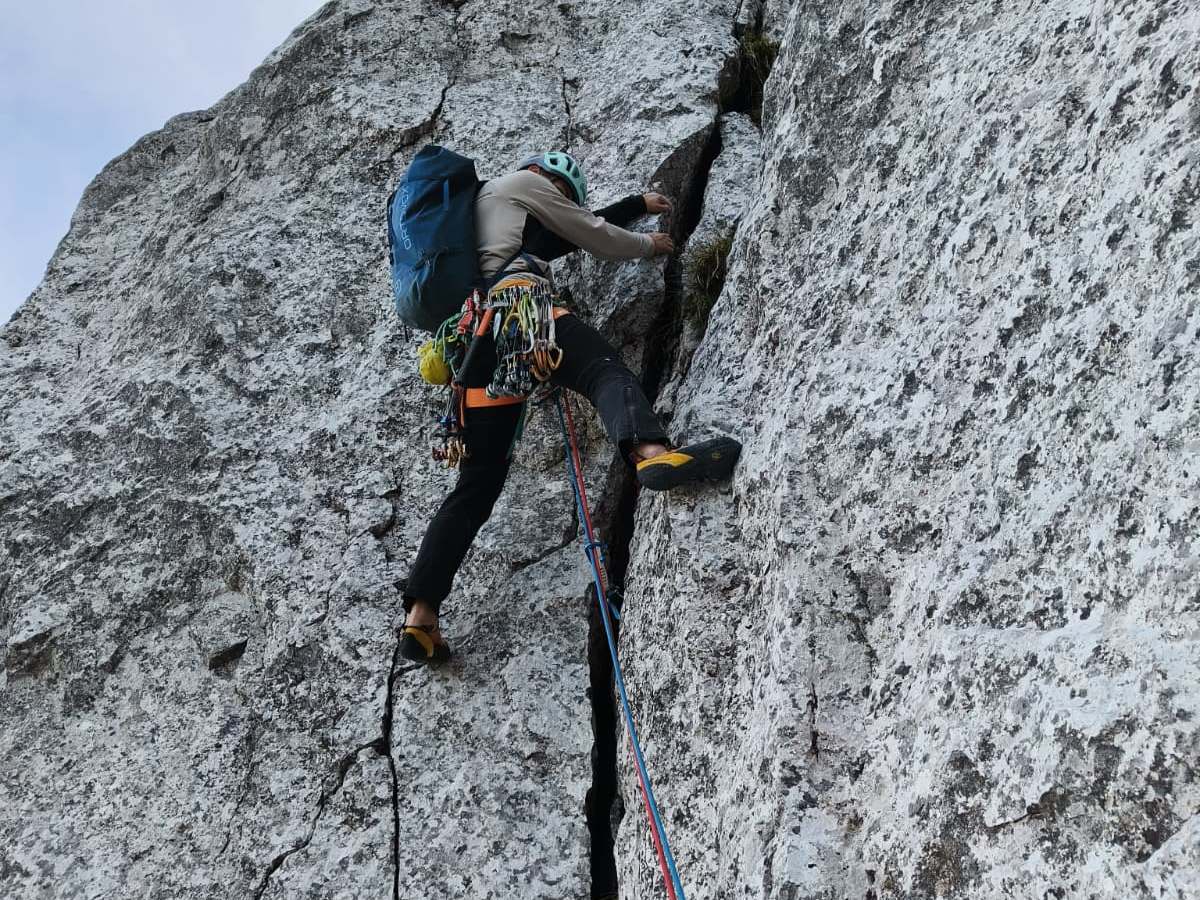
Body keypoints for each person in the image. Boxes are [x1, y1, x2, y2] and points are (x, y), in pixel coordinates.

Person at [398, 151, 741, 664]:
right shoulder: (523, 182)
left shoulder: (476, 218)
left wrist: (633, 204)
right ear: (544, 176)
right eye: (562, 193)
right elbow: (590, 232)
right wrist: (649, 244)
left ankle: (421, 615)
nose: (559, 201)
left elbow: (559, 236)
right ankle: (651, 452)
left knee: (475, 487)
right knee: (601, 370)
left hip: (471, 348)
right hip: (521, 314)